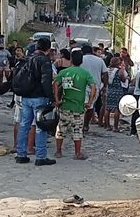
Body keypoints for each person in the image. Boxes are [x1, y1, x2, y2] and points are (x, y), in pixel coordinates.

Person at [14, 37, 56, 166]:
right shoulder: (45, 61)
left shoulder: (28, 59)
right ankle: (41, 157)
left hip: (26, 97)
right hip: (39, 98)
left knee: (24, 125)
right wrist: (51, 97)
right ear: (48, 49)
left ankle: (21, 154)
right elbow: (45, 81)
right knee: (40, 126)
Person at [53, 50, 96, 159]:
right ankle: (77, 153)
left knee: (61, 129)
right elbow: (93, 87)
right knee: (77, 130)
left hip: (65, 105)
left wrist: (57, 100)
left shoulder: (64, 72)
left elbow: (55, 84)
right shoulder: (85, 73)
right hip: (78, 107)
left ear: (71, 60)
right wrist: (90, 102)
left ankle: (58, 151)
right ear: (81, 61)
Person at [11, 46, 36, 154]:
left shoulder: (18, 64)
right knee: (32, 123)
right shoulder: (34, 64)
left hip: (18, 95)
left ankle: (16, 145)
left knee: (18, 121)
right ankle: (29, 147)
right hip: (30, 96)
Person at [80, 44, 108, 132]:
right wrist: (105, 86)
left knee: (81, 106)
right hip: (95, 87)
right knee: (90, 106)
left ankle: (80, 124)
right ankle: (86, 125)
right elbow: (105, 73)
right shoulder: (99, 60)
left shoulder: (80, 59)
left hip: (82, 86)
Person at [103, 57, 127, 132]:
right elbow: (123, 79)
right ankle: (115, 127)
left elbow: (104, 80)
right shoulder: (119, 71)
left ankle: (107, 126)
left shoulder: (107, 70)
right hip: (117, 91)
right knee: (117, 109)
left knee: (108, 108)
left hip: (109, 90)